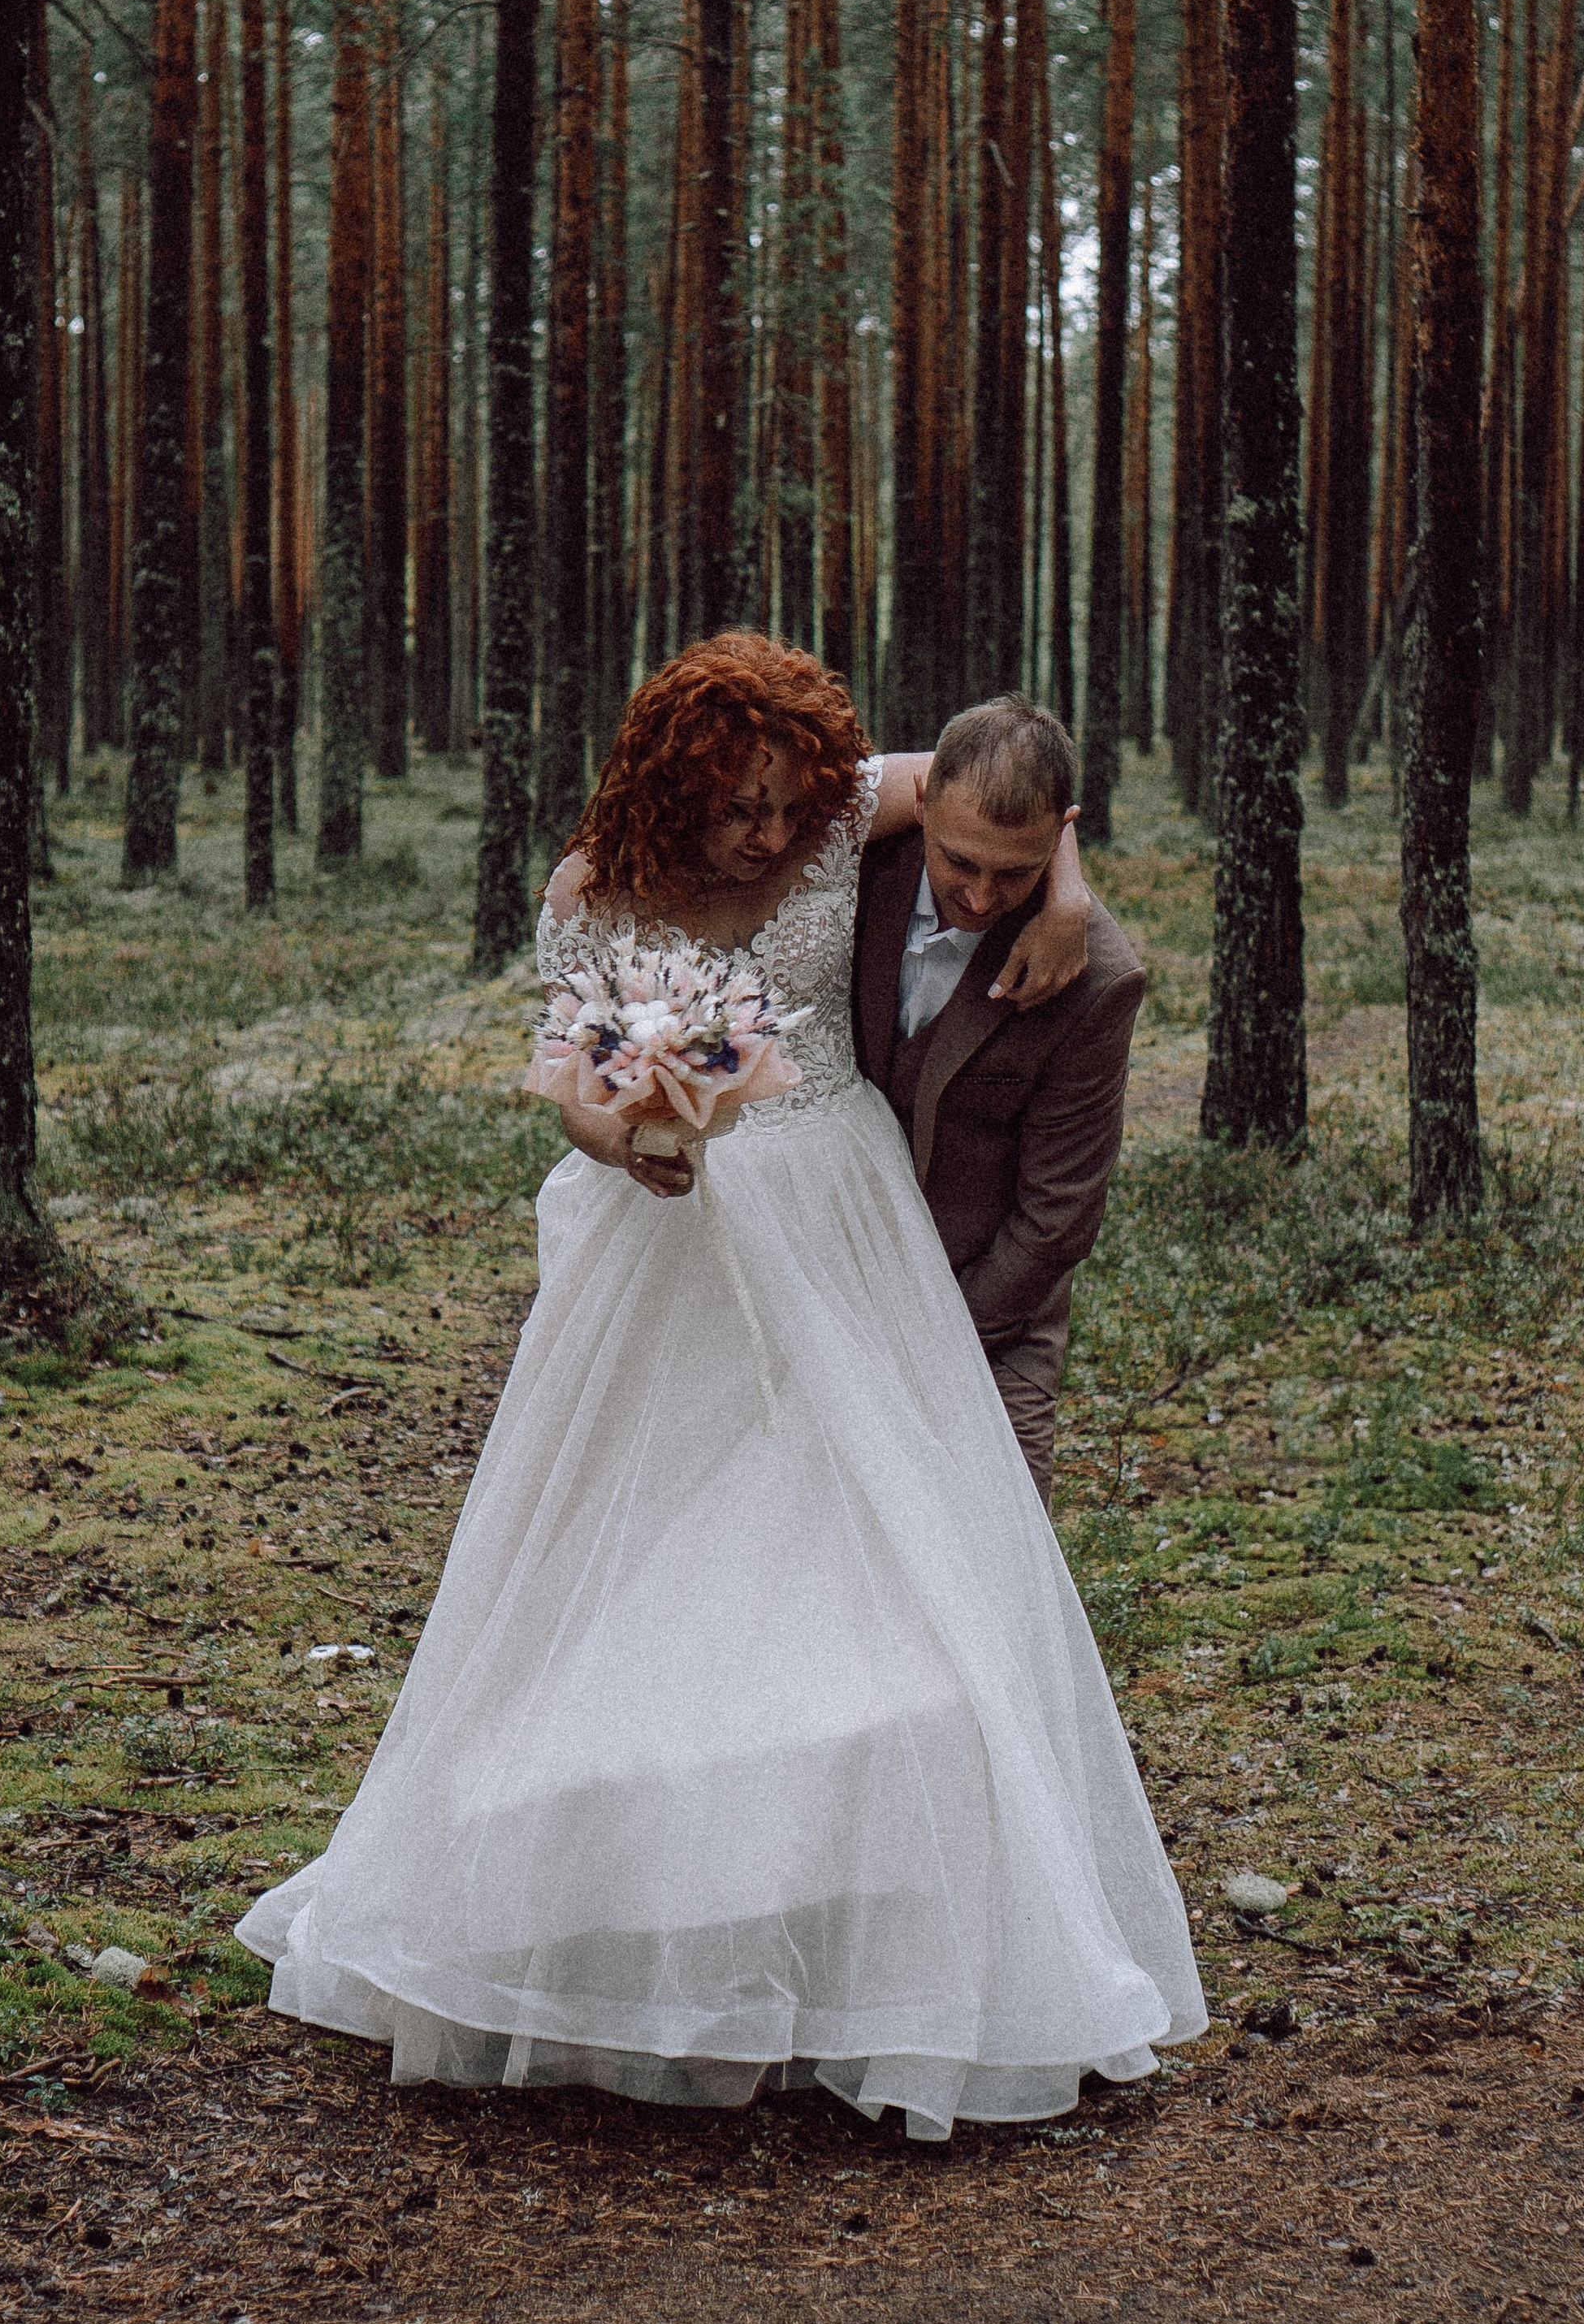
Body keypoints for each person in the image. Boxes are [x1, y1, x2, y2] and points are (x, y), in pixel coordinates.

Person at [237, 636, 1203, 2140]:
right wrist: (634, 1140)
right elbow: (570, 1083)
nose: (771, 834)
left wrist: (1069, 888)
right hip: (670, 1237)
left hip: (844, 1219)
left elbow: (996, 800)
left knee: (858, 1561)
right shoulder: (589, 899)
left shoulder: (835, 820)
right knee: (639, 1560)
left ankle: (850, 1940)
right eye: (738, 809)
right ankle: (617, 1921)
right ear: (672, 788)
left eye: (784, 804)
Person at [854, 695, 1144, 1504]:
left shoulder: (1098, 983)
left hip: (988, 1309)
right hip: (827, 1276)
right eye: (959, 864)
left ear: (1061, 838)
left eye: (1015, 873)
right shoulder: (849, 876)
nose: (980, 898)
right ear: (919, 809)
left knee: (997, 1549)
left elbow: (1055, 1220)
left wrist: (936, 1344)